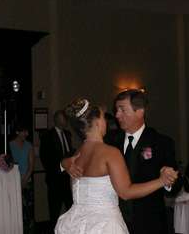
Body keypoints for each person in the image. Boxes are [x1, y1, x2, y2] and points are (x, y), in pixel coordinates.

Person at [65, 89, 180, 234]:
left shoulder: (161, 142)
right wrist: (65, 164)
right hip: (111, 224)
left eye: (122, 109)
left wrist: (168, 180)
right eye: (116, 110)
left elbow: (175, 183)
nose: (117, 115)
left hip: (149, 223)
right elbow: (79, 157)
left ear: (139, 111)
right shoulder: (108, 143)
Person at [39, 110, 74, 230]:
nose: (66, 121)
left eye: (66, 118)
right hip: (55, 180)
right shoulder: (47, 136)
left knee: (72, 209)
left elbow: (69, 153)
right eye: (64, 118)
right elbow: (45, 157)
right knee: (54, 211)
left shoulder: (68, 134)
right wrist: (59, 168)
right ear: (57, 120)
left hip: (68, 179)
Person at [9, 124, 35, 234]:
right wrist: (17, 182)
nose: (27, 134)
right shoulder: (9, 145)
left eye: (27, 132)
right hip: (11, 183)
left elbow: (31, 166)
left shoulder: (29, 145)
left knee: (27, 212)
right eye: (24, 131)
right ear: (17, 132)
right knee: (14, 211)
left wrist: (24, 180)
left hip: (26, 182)